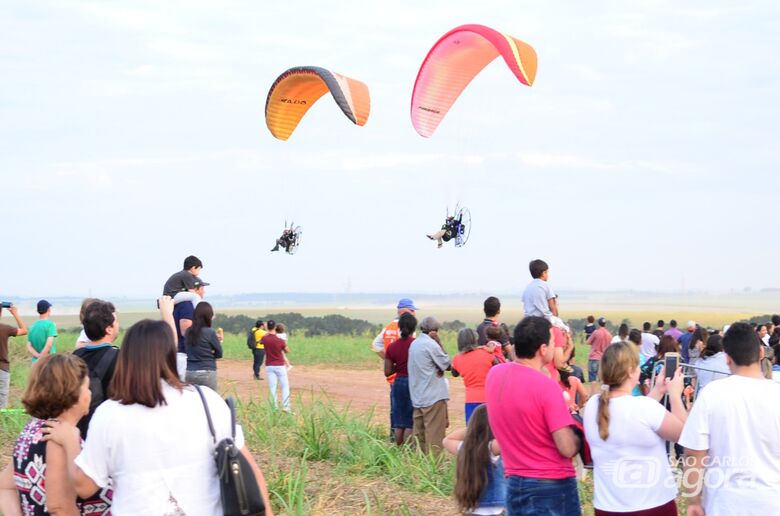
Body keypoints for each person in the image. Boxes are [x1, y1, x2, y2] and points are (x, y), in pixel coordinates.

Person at [39, 297, 273, 515]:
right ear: (172, 356)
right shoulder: (208, 401)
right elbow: (251, 472)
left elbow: (84, 486)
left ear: (127, 359)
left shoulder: (109, 414)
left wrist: (70, 438)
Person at [680, 322, 780, 516]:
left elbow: (694, 454)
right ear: (761, 353)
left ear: (727, 358)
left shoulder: (712, 394)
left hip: (725, 504)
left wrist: (693, 499)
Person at [485, 316, 580, 516]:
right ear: (543, 349)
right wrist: (578, 432)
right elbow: (566, 447)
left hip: (513, 481)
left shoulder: (494, 376)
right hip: (551, 486)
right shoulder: (547, 387)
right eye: (553, 343)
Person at [0, 354, 111, 516]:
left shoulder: (33, 429)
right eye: (86, 387)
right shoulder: (58, 437)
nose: (90, 394)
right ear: (72, 393)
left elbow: (5, 486)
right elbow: (60, 508)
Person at [583, 342, 687, 516]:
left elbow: (634, 417)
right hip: (652, 506)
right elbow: (686, 435)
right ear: (631, 370)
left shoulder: (593, 404)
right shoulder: (645, 408)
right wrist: (676, 396)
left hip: (607, 507)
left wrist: (658, 390)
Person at [443, 405, 505, 515]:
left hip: (470, 509)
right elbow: (508, 439)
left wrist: (473, 428)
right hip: (493, 510)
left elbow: (447, 440)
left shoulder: (464, 448)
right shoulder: (491, 448)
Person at [72, 300, 120, 439]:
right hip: (107, 433)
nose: (118, 325)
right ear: (109, 329)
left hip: (78, 431)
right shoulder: (121, 358)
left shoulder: (74, 357)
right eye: (115, 321)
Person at [372, 298, 418, 435]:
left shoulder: (389, 326)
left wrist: (389, 360)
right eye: (413, 310)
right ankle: (408, 443)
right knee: (409, 411)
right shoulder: (408, 327)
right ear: (406, 311)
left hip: (393, 375)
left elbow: (375, 345)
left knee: (396, 409)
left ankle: (393, 437)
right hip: (407, 374)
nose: (415, 313)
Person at [408, 316, 451, 454]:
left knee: (420, 437)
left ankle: (419, 469)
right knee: (435, 439)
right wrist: (439, 342)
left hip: (418, 396)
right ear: (435, 331)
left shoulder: (414, 344)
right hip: (432, 396)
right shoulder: (431, 344)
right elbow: (447, 364)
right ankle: (434, 471)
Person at [384, 313, 417, 445]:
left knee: (399, 421)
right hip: (413, 383)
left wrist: (398, 367)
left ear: (399, 327)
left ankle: (399, 451)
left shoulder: (392, 347)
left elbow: (387, 372)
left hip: (398, 383)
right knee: (410, 421)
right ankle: (408, 452)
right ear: (414, 328)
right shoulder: (416, 345)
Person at [451, 328, 497, 423]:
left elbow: (454, 373)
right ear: (475, 339)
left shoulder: (457, 359)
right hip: (489, 398)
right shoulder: (486, 354)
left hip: (471, 400)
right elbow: (499, 367)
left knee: (472, 431)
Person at [173, 279, 208, 381]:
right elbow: (186, 329)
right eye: (202, 288)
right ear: (195, 289)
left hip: (182, 353)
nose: (204, 292)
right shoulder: (187, 305)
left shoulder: (183, 304)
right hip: (184, 354)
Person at [185, 301, 223, 391]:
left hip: (190, 371)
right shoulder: (210, 332)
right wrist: (211, 355)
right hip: (207, 371)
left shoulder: (188, 332)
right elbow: (219, 353)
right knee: (211, 400)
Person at [521, 259, 569, 332]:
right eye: (547, 272)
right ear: (544, 273)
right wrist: (556, 320)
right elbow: (552, 306)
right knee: (566, 330)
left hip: (527, 322)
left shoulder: (527, 288)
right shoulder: (545, 286)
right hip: (542, 321)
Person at [0, 303, 27, 408]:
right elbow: (24, 330)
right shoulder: (5, 328)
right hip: (2, 369)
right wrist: (15, 314)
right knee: (2, 403)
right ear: (1, 313)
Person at [261, 320, 292, 412]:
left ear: (268, 327)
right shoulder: (280, 340)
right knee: (285, 386)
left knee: (272, 387)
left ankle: (274, 408)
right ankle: (286, 407)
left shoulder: (264, 339)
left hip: (269, 365)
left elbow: (262, 341)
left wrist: (266, 330)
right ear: (275, 327)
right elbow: (287, 351)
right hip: (279, 365)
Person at [587, 317, 612, 382]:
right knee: (602, 380)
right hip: (604, 359)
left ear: (598, 324)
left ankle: (593, 392)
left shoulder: (596, 332)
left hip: (594, 357)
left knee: (593, 379)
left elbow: (588, 342)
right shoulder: (609, 334)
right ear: (605, 324)